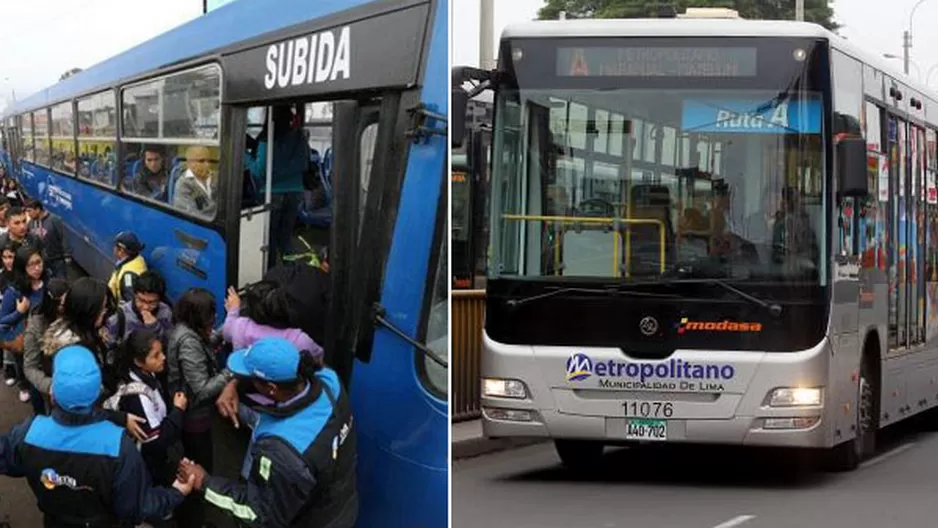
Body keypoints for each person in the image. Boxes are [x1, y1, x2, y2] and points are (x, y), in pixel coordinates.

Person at [0, 345, 196, 526]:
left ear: (53, 393)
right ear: (96, 394)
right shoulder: (119, 447)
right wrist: (176, 492)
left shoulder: (28, 433)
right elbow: (134, 508)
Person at [180, 338, 357, 528]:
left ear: (272, 388)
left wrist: (204, 482)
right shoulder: (331, 382)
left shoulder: (280, 451)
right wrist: (233, 385)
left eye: (251, 378)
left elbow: (258, 515)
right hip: (342, 507)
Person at [103, 329, 188, 528]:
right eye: (156, 355)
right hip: (145, 463)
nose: (163, 358)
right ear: (139, 362)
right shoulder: (138, 397)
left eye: (162, 352)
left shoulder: (144, 375)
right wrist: (178, 411)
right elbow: (156, 441)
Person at [166, 287, 233, 526]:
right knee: (198, 467)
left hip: (194, 415)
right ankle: (194, 519)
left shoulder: (187, 331)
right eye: (210, 314)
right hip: (194, 419)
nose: (213, 318)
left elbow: (208, 341)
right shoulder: (187, 342)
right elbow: (202, 390)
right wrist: (231, 372)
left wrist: (231, 324)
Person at [245, 105, 307, 268]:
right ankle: (291, 272)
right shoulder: (299, 135)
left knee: (269, 239)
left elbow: (260, 171)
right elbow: (303, 163)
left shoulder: (268, 137)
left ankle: (270, 273)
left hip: (272, 194)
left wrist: (245, 156)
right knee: (286, 239)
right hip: (295, 192)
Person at [0, 246, 46, 408]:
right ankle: (39, 413)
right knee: (33, 382)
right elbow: (2, 322)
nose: (37, 267)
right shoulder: (13, 292)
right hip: (25, 346)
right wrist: (19, 312)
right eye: (31, 264)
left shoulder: (47, 285)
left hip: (47, 343)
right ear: (21, 267)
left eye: (39, 262)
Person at [23, 278, 69, 414]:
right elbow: (30, 367)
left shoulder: (73, 316)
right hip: (50, 382)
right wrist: (50, 386)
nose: (65, 307)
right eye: (61, 304)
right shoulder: (36, 326)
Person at [103, 270, 173, 353]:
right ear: (135, 295)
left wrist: (155, 327)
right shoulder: (121, 315)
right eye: (141, 300)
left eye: (152, 302)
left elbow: (170, 343)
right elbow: (109, 345)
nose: (146, 307)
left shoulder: (165, 312)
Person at [25, 199, 71, 279]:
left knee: (61, 282)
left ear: (38, 210)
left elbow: (63, 237)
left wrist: (67, 255)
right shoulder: (31, 223)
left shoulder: (54, 220)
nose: (28, 214)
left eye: (30, 211)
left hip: (57, 259)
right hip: (42, 261)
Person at [173, 146, 217, 218]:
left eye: (208, 160)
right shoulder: (183, 184)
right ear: (189, 163)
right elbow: (190, 215)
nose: (207, 165)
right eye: (201, 161)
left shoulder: (216, 177)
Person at [108, 231, 147, 304]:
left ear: (121, 250)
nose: (113, 248)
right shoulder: (137, 258)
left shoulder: (128, 276)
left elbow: (130, 303)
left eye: (115, 246)